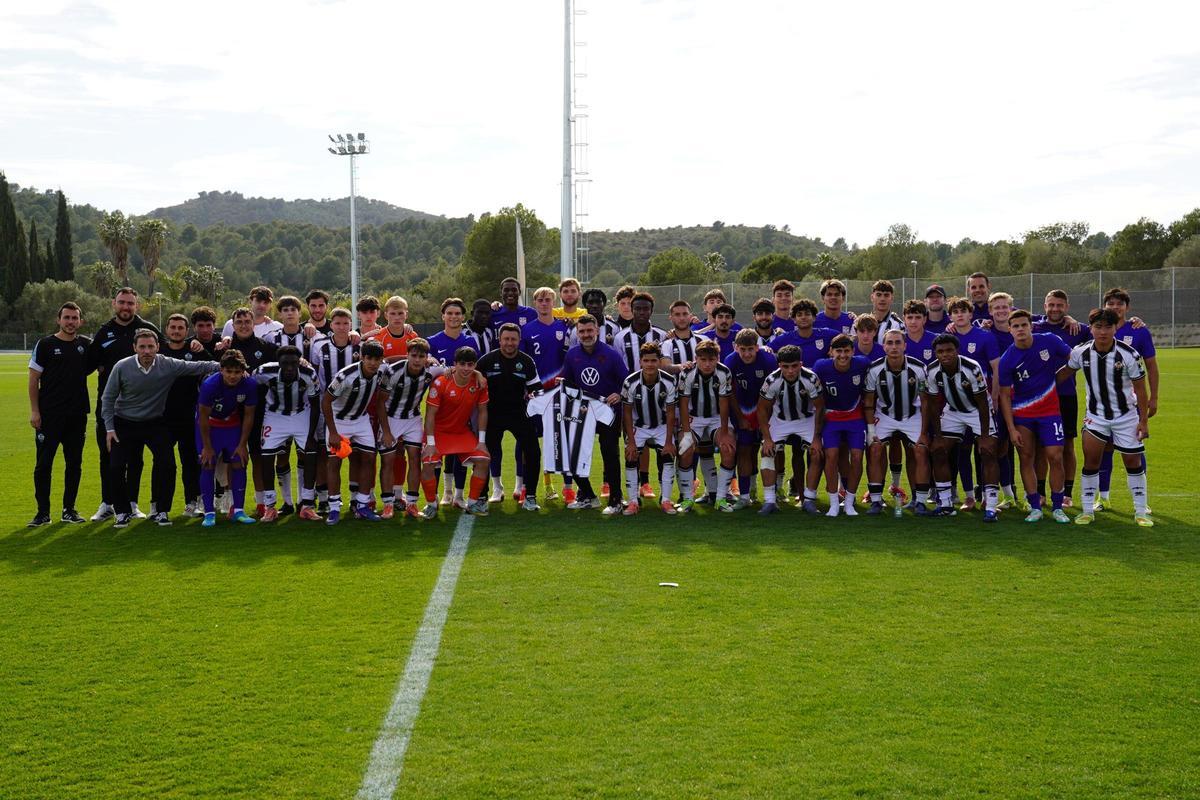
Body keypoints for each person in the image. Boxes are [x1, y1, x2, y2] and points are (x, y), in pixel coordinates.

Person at [101, 328, 220, 527]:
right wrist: (110, 429)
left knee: (168, 464)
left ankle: (162, 511)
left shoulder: (167, 364)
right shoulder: (122, 366)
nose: (146, 351)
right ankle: (122, 512)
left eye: (150, 346)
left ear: (157, 347)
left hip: (154, 422)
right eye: (142, 347)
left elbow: (198, 366)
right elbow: (108, 398)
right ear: (134, 348)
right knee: (116, 467)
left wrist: (227, 366)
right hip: (124, 422)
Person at [1057, 308, 1152, 526]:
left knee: (1133, 462)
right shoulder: (1081, 352)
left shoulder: (1129, 354)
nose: (1102, 332)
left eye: (1108, 327)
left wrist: (1143, 421)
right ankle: (1087, 511)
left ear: (1115, 328)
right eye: (1098, 327)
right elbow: (1063, 374)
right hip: (1096, 417)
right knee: (1091, 462)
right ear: (1090, 328)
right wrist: (1038, 390)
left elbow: (1141, 389)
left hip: (1126, 416)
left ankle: (1140, 512)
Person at [88, 287, 162, 521]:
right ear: (114, 304)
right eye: (122, 302)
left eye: (130, 303)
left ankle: (132, 503)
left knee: (135, 458)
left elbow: (168, 355)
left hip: (139, 409)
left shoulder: (147, 329)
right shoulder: (104, 332)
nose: (126, 307)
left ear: (136, 305)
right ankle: (107, 503)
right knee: (107, 456)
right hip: (109, 407)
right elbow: (88, 362)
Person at [996, 309, 1072, 523]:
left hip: (1050, 412)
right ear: (1010, 330)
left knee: (1055, 456)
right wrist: (1011, 428)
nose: (1020, 329)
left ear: (1031, 326)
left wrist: (1057, 379)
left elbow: (1074, 359)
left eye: (1024, 325)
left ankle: (1057, 507)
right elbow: (1004, 396)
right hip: (1023, 414)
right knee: (1026, 457)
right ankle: (1035, 506)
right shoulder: (1007, 359)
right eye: (1016, 326)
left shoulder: (1049, 341)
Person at [28, 302, 95, 526]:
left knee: (74, 464)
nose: (70, 322)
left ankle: (69, 510)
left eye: (75, 318)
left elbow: (105, 361)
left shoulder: (86, 345)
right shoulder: (46, 344)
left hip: (77, 415)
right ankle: (42, 513)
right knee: (43, 464)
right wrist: (35, 411)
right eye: (67, 317)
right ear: (59, 320)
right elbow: (33, 379)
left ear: (81, 321)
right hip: (49, 416)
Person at [923, 334, 1000, 520]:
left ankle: (991, 507)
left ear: (957, 350)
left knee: (988, 451)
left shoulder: (971, 367)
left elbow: (982, 403)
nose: (945, 354)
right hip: (953, 411)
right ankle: (945, 505)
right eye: (940, 351)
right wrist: (938, 436)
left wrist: (984, 436)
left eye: (949, 350)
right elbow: (932, 404)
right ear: (935, 354)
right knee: (938, 450)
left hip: (977, 410)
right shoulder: (932, 370)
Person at [1096, 287, 1158, 510]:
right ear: (1105, 306)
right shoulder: (1097, 329)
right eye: (1110, 304)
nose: (1115, 308)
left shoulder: (1138, 331)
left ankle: (1142, 502)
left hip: (1130, 403)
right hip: (1102, 403)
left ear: (1127, 307)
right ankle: (1103, 498)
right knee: (1104, 448)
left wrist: (1154, 398)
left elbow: (1152, 367)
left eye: (1119, 304)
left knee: (1134, 449)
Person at [561, 314, 629, 514]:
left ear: (597, 330)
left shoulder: (611, 354)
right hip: (582, 412)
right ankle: (588, 495)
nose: (586, 335)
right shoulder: (572, 354)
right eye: (581, 331)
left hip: (608, 412)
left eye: (589, 330)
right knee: (573, 453)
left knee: (610, 454)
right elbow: (568, 383)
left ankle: (616, 500)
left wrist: (619, 394)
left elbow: (627, 382)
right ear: (577, 333)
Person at [419, 347, 492, 518]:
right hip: (438, 432)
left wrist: (481, 441)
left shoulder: (479, 382)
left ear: (475, 365)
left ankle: (472, 504)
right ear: (455, 364)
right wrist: (430, 443)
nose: (466, 368)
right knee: (428, 463)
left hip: (461, 432)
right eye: (462, 364)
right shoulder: (441, 382)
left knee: (483, 460)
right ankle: (431, 504)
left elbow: (483, 411)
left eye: (470, 364)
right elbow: (430, 414)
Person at [1034, 290, 1090, 506]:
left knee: (1067, 445)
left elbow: (1105, 330)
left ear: (1067, 307)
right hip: (1039, 396)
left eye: (1059, 305)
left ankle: (1067, 493)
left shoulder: (1078, 329)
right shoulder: (1035, 326)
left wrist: (1134, 322)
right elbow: (1008, 316)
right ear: (1045, 306)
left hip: (1066, 395)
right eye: (1051, 305)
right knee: (1041, 447)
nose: (1055, 309)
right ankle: (1040, 492)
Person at [863, 331, 929, 515]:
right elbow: (868, 402)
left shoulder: (918, 368)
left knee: (920, 450)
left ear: (905, 346)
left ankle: (920, 502)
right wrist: (871, 431)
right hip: (885, 415)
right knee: (875, 449)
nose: (894, 347)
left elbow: (925, 401)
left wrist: (924, 432)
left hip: (912, 415)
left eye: (898, 343)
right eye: (890, 343)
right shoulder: (874, 369)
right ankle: (876, 500)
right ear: (884, 346)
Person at [252, 346, 321, 522]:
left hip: (300, 413)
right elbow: (249, 384)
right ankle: (270, 506)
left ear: (299, 362)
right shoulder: (264, 371)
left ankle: (307, 505)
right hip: (275, 415)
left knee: (310, 453)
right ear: (279, 363)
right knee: (267, 456)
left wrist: (311, 436)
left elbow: (315, 405)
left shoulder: (309, 374)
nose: (290, 368)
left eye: (293, 363)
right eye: (285, 364)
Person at [478, 325, 543, 511]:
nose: (509, 343)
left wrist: (535, 394)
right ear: (500, 340)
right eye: (506, 339)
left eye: (513, 339)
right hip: (492, 414)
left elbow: (536, 388)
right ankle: (481, 497)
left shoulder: (526, 361)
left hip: (519, 413)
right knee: (484, 454)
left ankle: (530, 497)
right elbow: (472, 379)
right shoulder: (487, 360)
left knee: (533, 452)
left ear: (519, 340)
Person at [322, 339, 386, 524]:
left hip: (361, 420)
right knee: (334, 463)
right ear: (362, 357)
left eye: (377, 359)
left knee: (369, 458)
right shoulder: (345, 376)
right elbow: (326, 402)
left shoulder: (382, 370)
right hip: (339, 421)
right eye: (369, 358)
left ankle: (362, 505)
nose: (373, 363)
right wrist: (333, 432)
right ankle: (334, 508)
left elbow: (396, 361)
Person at [756, 344, 824, 515]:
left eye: (794, 366)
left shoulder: (810, 378)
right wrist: (767, 438)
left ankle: (809, 500)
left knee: (817, 452)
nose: (790, 371)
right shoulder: (772, 380)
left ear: (801, 364)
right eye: (785, 366)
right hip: (781, 420)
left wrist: (817, 437)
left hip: (806, 420)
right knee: (766, 452)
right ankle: (770, 501)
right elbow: (762, 409)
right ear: (779, 365)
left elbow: (820, 408)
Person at [377, 338, 441, 518]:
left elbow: (453, 371)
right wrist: (386, 431)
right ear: (407, 355)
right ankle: (388, 504)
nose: (417, 360)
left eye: (421, 356)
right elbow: (380, 402)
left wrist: (477, 375)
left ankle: (412, 503)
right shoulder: (393, 371)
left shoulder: (432, 370)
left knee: (415, 459)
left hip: (413, 418)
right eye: (414, 355)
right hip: (391, 418)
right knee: (388, 461)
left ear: (427, 357)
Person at [521, 287, 574, 502]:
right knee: (530, 442)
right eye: (540, 300)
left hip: (559, 392)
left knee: (563, 439)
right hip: (535, 393)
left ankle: (568, 487)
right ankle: (533, 486)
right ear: (535, 303)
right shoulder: (526, 330)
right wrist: (525, 389)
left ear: (554, 302)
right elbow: (522, 361)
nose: (544, 303)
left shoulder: (564, 327)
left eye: (548, 300)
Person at [196, 351, 259, 527]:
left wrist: (242, 444)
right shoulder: (210, 385)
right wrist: (207, 447)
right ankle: (209, 513)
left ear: (243, 371)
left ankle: (238, 510)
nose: (233, 376)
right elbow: (202, 416)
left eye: (237, 372)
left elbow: (249, 415)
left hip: (232, 425)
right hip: (210, 426)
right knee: (207, 463)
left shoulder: (249, 384)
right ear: (221, 370)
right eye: (229, 371)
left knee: (239, 462)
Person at [161, 312, 212, 517]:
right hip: (162, 417)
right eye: (172, 327)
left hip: (190, 416)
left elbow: (214, 369)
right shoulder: (159, 350)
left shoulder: (195, 350)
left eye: (180, 328)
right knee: (164, 463)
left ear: (187, 331)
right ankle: (158, 506)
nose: (176, 331)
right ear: (166, 330)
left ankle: (192, 502)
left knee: (190, 462)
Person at [813, 335, 870, 517]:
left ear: (853, 351)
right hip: (831, 418)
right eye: (839, 351)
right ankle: (834, 503)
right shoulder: (821, 367)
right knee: (831, 456)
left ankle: (850, 502)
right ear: (831, 352)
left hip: (855, 417)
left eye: (847, 351)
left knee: (857, 457)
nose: (843, 355)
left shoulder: (862, 364)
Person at [310, 307, 359, 513]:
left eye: (345, 323)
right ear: (331, 325)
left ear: (351, 325)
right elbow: (313, 372)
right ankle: (325, 498)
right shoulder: (319, 345)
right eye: (337, 323)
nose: (341, 327)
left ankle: (355, 499)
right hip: (327, 407)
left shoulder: (359, 345)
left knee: (355, 453)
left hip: (353, 407)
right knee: (325, 453)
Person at [428, 297, 476, 507]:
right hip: (439, 406)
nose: (453, 317)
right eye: (450, 313)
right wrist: (430, 360)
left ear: (463, 317)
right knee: (437, 451)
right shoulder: (432, 341)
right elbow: (424, 364)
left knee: (459, 450)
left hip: (463, 405)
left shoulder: (470, 341)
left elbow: (475, 368)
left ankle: (457, 495)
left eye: (457, 313)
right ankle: (441, 494)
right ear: (443, 316)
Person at [723, 328, 778, 510]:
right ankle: (745, 496)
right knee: (745, 450)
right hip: (742, 410)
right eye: (742, 349)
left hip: (766, 410)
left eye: (750, 349)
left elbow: (775, 390)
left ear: (757, 347)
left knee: (769, 449)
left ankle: (773, 494)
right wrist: (740, 417)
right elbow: (729, 392)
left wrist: (766, 419)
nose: (747, 354)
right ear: (736, 348)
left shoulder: (768, 360)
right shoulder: (731, 361)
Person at [620, 343, 679, 515]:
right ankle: (633, 501)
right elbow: (627, 413)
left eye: (653, 360)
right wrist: (631, 442)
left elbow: (670, 413)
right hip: (638, 426)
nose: (650, 364)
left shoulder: (669, 381)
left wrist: (669, 442)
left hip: (661, 425)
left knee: (668, 455)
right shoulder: (630, 382)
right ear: (640, 362)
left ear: (659, 361)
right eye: (646, 361)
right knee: (631, 456)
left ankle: (666, 500)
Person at [677, 339, 735, 507]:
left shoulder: (724, 372)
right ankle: (687, 499)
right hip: (694, 418)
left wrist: (725, 432)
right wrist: (686, 433)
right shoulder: (687, 373)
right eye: (703, 360)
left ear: (718, 358)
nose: (707, 364)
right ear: (696, 358)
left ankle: (721, 498)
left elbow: (724, 403)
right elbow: (683, 404)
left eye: (711, 359)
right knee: (685, 449)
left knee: (728, 448)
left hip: (716, 418)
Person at [770, 299, 840, 367]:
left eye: (807, 314)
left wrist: (833, 349)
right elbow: (767, 349)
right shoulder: (786, 338)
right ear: (794, 319)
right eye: (799, 315)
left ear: (814, 318)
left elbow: (844, 338)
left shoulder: (826, 334)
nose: (803, 317)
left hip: (821, 374)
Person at [612, 291, 667, 372]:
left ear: (651, 311)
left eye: (646, 309)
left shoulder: (662, 335)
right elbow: (617, 365)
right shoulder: (620, 337)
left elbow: (664, 363)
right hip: (629, 380)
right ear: (632, 310)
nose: (641, 312)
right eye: (638, 309)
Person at [660, 299, 709, 372]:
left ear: (690, 316)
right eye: (677, 314)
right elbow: (665, 366)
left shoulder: (704, 340)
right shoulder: (666, 344)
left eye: (685, 314)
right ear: (671, 318)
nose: (682, 318)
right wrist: (681, 366)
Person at [369, 295, 420, 363]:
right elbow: (375, 363)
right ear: (386, 315)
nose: (397, 317)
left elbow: (419, 360)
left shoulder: (413, 336)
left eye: (400, 313)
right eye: (393, 314)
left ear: (406, 315)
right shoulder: (379, 338)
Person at [902, 300, 938, 365]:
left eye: (918, 317)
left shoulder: (936, 340)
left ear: (924, 319)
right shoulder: (898, 341)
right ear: (904, 319)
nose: (913, 321)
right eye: (910, 317)